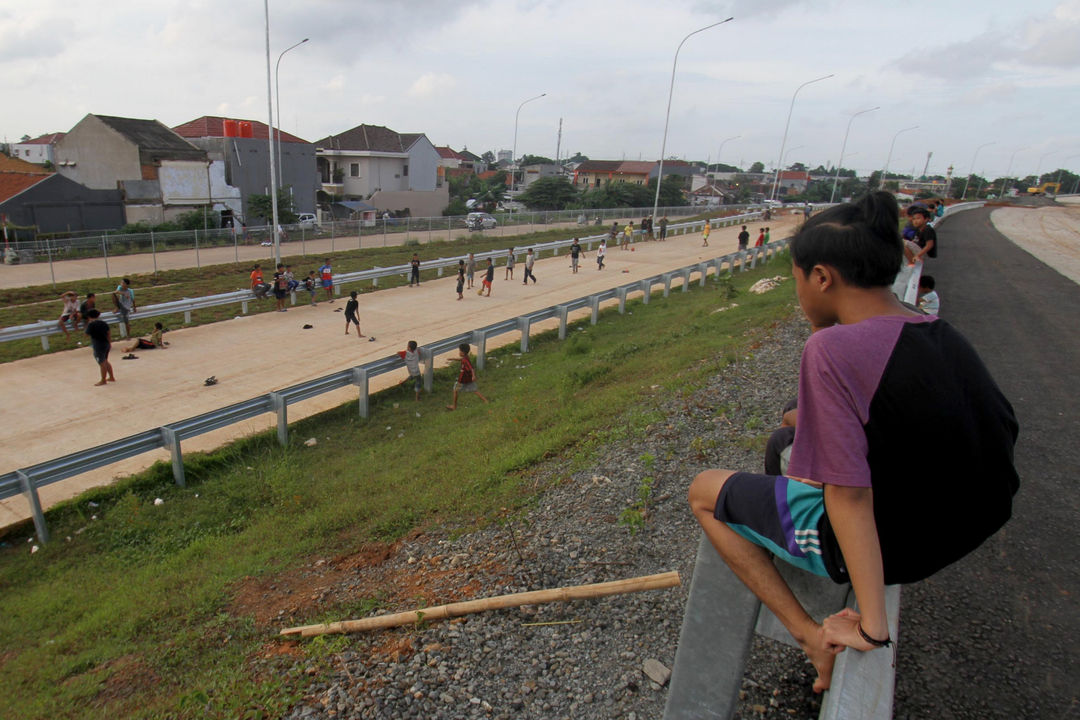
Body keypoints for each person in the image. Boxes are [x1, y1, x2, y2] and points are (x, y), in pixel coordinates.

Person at [687, 191, 1019, 693]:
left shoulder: (831, 347)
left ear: (821, 277)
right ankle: (797, 537)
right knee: (786, 435)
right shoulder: (935, 327)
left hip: (907, 546)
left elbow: (850, 494)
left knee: (704, 491)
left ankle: (807, 635)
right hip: (972, 518)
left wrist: (872, 626)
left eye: (797, 281)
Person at [446, 343, 489, 410]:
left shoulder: (465, 360)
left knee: (455, 390)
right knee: (475, 390)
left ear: (463, 352)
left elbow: (471, 368)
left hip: (462, 380)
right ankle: (485, 400)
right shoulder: (465, 358)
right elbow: (462, 360)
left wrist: (473, 376)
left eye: (460, 351)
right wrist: (453, 359)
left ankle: (454, 406)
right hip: (468, 379)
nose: (459, 352)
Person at [83, 308, 115, 386]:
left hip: (98, 345)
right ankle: (111, 377)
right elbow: (108, 333)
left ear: (89, 316)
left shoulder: (91, 324)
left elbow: (86, 335)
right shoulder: (103, 323)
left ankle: (103, 380)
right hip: (106, 343)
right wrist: (109, 342)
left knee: (102, 363)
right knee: (106, 361)